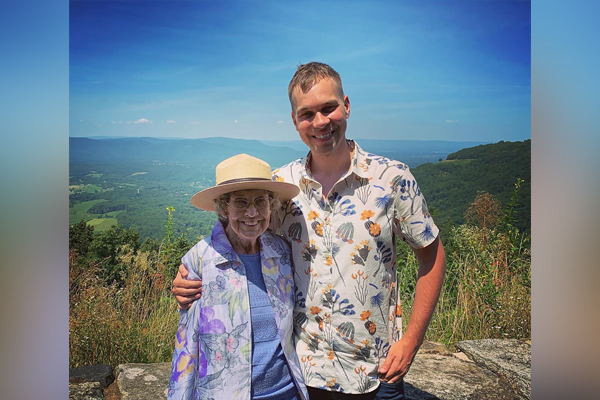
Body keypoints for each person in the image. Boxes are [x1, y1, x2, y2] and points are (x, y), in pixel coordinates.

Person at [172, 62, 446, 400]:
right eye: (307, 114)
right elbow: (239, 235)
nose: (320, 122)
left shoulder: (392, 179)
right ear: (294, 121)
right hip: (302, 373)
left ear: (346, 105)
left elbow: (431, 253)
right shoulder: (281, 186)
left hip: (376, 370)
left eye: (328, 108)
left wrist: (411, 342)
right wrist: (192, 275)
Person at [167, 153, 308, 400]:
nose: (252, 213)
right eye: (241, 202)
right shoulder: (201, 260)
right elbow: (187, 345)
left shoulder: (281, 252)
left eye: (260, 202)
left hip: (286, 392)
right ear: (224, 208)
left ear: (271, 206)